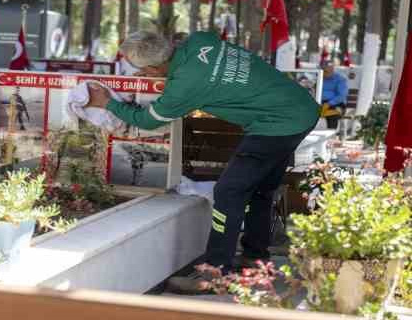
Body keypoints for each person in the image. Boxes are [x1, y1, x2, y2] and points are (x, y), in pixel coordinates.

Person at [86, 31, 319, 294]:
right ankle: (255, 259)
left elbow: (148, 120)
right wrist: (164, 75)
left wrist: (107, 103)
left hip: (277, 124)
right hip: (300, 107)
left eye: (145, 70)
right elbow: (201, 70)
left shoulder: (183, 87)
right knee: (260, 190)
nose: (146, 74)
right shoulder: (200, 41)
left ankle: (216, 272)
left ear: (153, 66)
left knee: (228, 191)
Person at [320, 61, 348, 129]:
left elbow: (342, 96)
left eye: (326, 71)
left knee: (333, 115)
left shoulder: (340, 79)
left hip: (335, 103)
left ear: (332, 69)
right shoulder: (319, 77)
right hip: (319, 102)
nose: (324, 73)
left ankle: (331, 135)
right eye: (323, 70)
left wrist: (329, 103)